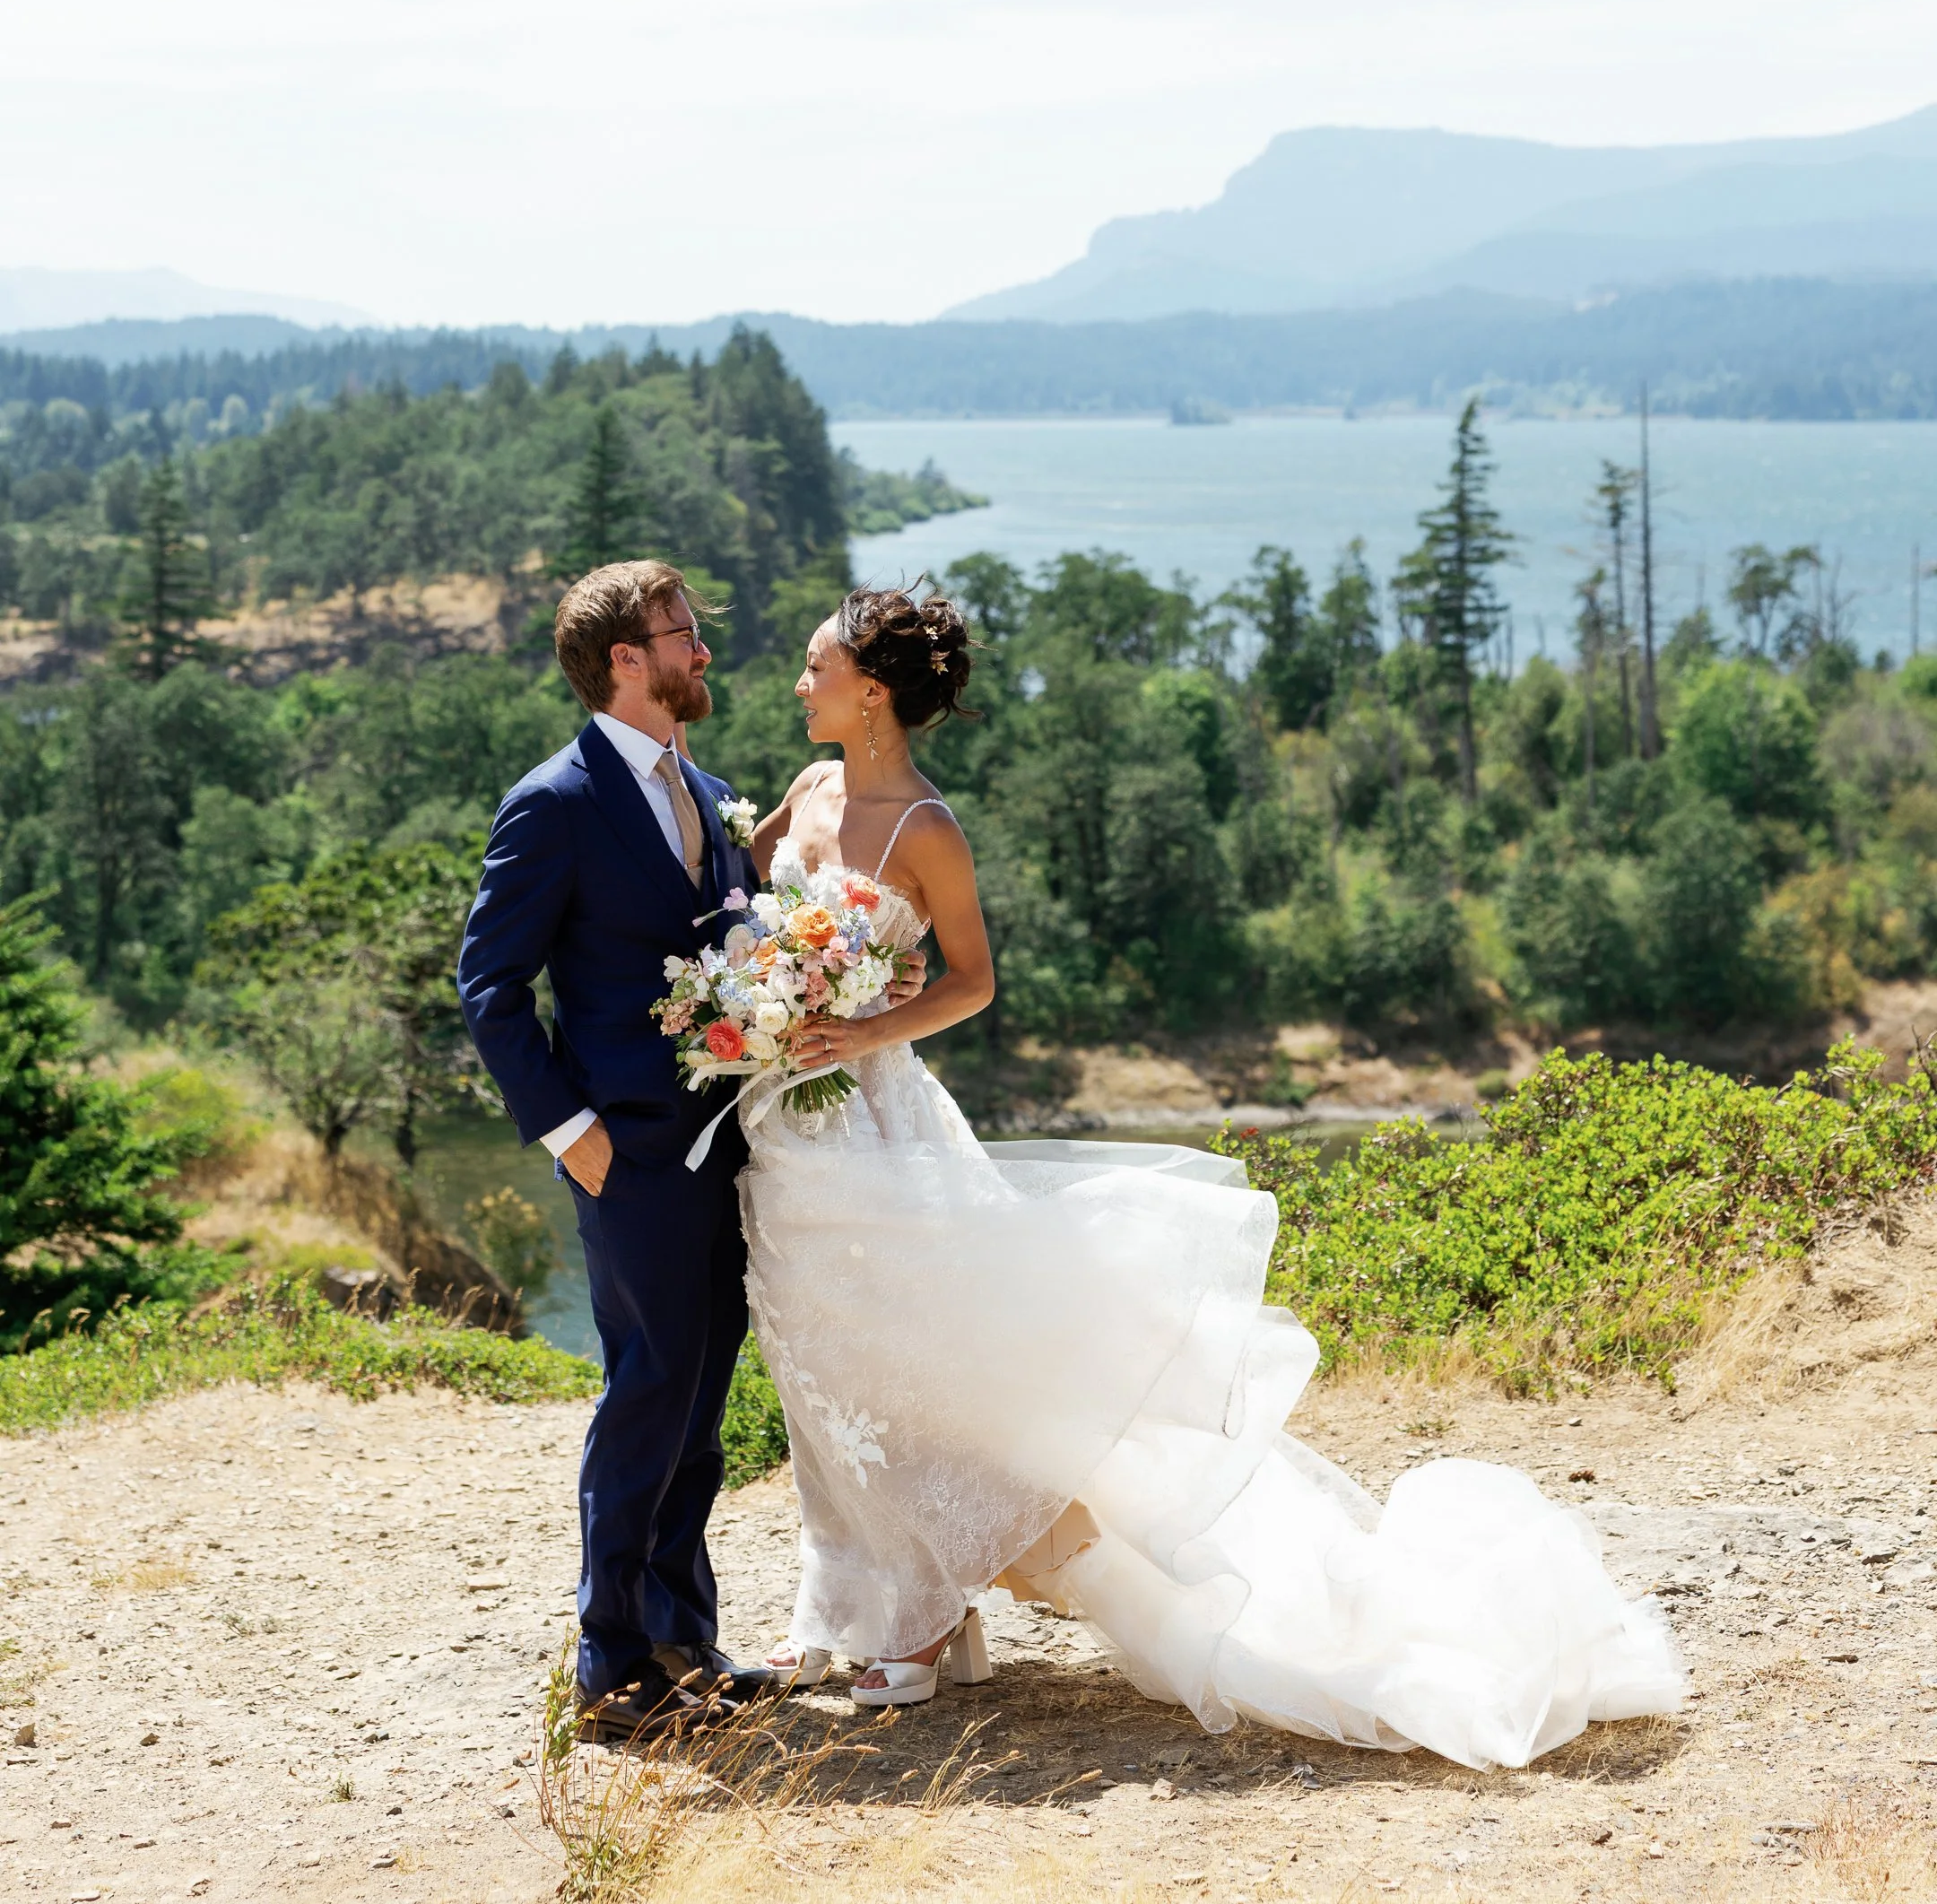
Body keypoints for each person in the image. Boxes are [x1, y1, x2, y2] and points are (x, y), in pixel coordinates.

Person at [734, 585, 1687, 1764]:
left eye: (816, 666)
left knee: (916, 1366)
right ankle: (866, 1608)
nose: (798, 684)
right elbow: (742, 911)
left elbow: (972, 983)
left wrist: (859, 1029)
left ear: (871, 691)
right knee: (829, 1372)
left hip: (882, 1122)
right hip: (790, 1128)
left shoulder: (924, 827)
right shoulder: (809, 791)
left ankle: (921, 1626)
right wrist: (746, 1005)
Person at [456, 560, 774, 1743]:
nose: (703, 649)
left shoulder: (716, 792)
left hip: (731, 1147)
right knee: (649, 1390)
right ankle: (612, 1665)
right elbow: (490, 985)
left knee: (701, 1398)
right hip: (628, 1155)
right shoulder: (556, 802)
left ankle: (688, 1641)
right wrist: (572, 1131)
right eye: (683, 633)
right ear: (625, 660)